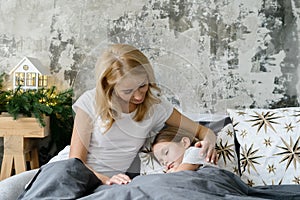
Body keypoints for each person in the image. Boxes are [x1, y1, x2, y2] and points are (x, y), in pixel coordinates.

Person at [17, 43, 218, 199]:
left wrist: (209, 142)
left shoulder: (155, 107)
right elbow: (75, 161)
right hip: (75, 172)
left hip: (111, 184)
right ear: (109, 87)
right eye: (128, 91)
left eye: (143, 86)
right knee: (65, 174)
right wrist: (105, 179)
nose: (138, 96)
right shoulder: (90, 102)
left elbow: (202, 131)